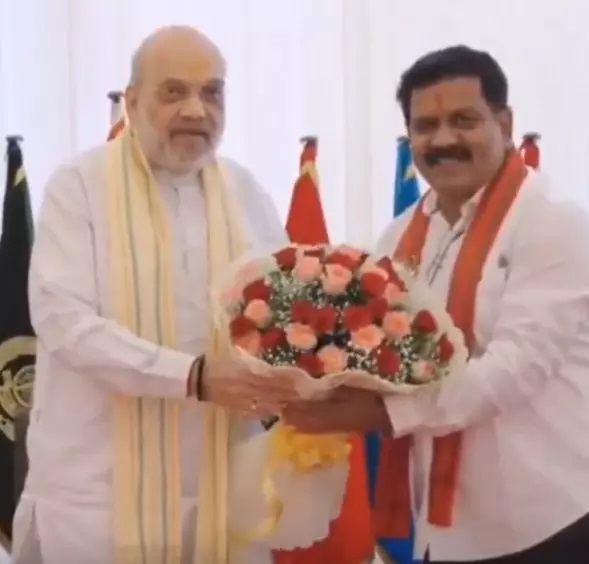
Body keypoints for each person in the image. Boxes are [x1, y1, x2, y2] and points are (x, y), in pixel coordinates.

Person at [283, 45, 589, 563]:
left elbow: (513, 371)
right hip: (436, 526)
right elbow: (376, 353)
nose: (444, 139)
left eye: (464, 120)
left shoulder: (552, 222)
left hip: (543, 520)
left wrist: (382, 414)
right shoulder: (398, 237)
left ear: (504, 123)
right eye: (426, 125)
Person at [12, 25, 300, 564]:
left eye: (211, 92)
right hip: (98, 496)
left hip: (224, 482)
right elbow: (64, 322)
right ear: (132, 101)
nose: (196, 109)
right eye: (173, 92)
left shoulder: (244, 191)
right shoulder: (79, 185)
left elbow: (287, 309)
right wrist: (193, 376)